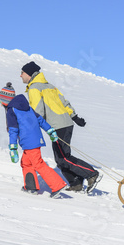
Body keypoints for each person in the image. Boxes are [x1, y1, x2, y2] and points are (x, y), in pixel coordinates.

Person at [20, 61, 102, 194]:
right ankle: (76, 183)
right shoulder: (50, 86)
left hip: (58, 125)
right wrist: (75, 117)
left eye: (22, 72)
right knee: (61, 157)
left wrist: (31, 127)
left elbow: (37, 111)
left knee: (63, 157)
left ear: (29, 74)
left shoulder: (34, 88)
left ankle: (91, 174)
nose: (20, 75)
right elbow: (64, 102)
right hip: (66, 123)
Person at [0, 82, 67, 198]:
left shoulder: (11, 111)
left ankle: (58, 185)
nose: (1, 105)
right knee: (26, 163)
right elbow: (40, 120)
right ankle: (31, 186)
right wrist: (50, 131)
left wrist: (13, 148)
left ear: (5, 101)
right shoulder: (27, 107)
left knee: (38, 164)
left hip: (28, 142)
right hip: (35, 139)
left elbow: (13, 131)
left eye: (1, 102)